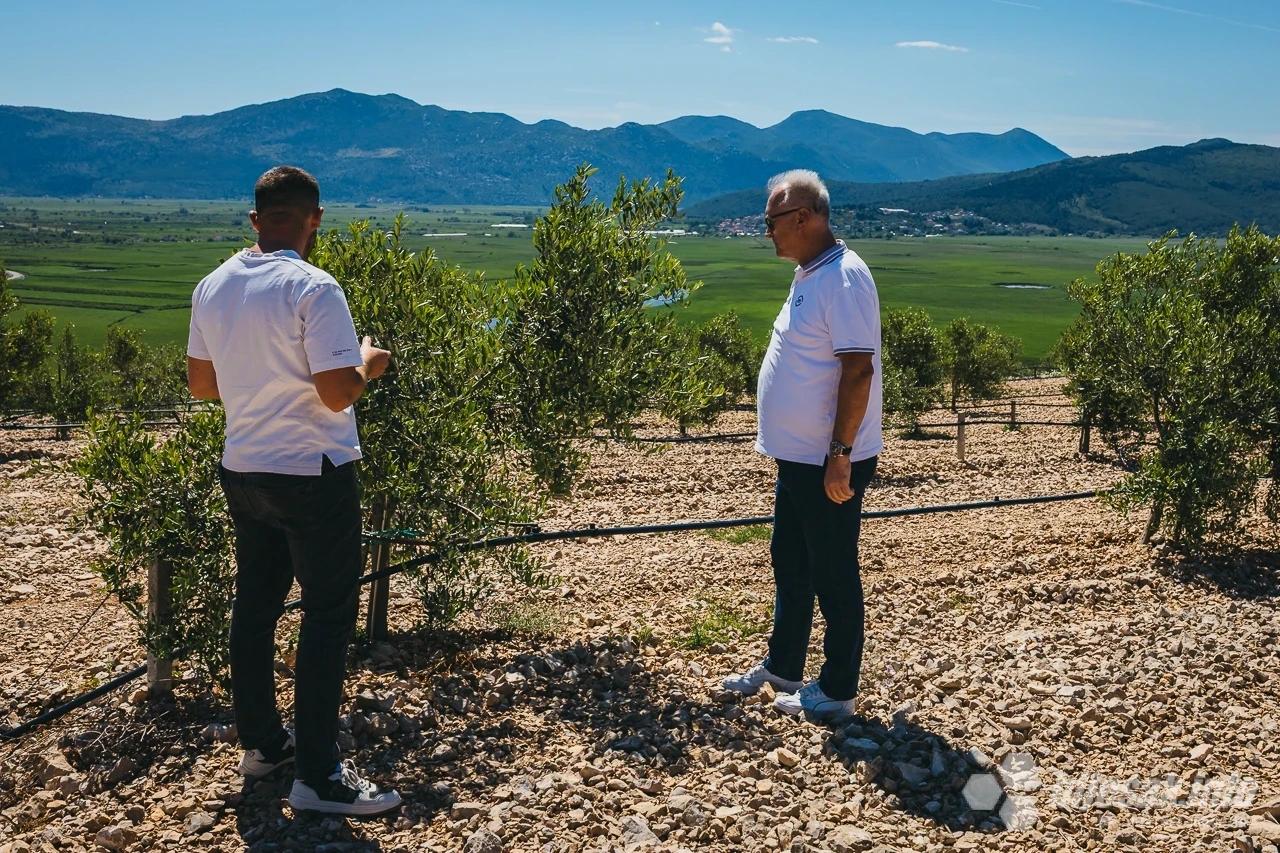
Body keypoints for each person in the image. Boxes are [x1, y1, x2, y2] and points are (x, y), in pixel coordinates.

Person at [187, 165, 401, 816]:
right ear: (315, 220)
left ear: (255, 221)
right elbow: (337, 392)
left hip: (243, 466)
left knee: (254, 604)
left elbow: (202, 386)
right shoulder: (315, 286)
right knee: (328, 615)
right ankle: (318, 776)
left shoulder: (214, 284)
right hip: (313, 469)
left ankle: (262, 745)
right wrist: (371, 361)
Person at [723, 169, 883, 723]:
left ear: (804, 218)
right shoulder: (811, 274)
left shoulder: (844, 279)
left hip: (828, 460)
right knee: (790, 563)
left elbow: (858, 371)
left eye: (770, 221)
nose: (766, 231)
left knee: (834, 570)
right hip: (798, 458)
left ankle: (837, 689)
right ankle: (784, 665)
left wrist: (841, 453)